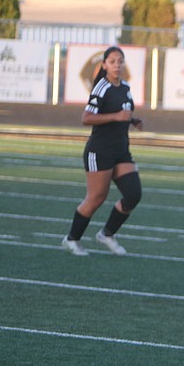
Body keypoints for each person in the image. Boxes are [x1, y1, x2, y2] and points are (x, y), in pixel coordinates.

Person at [62, 45, 143, 256]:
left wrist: (132, 120)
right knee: (96, 197)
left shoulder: (125, 86)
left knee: (133, 194)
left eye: (120, 61)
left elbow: (123, 111)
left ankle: (106, 234)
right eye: (113, 61)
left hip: (121, 151)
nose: (117, 65)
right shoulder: (101, 87)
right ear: (104, 65)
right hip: (99, 151)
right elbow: (86, 118)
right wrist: (116, 117)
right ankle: (72, 239)